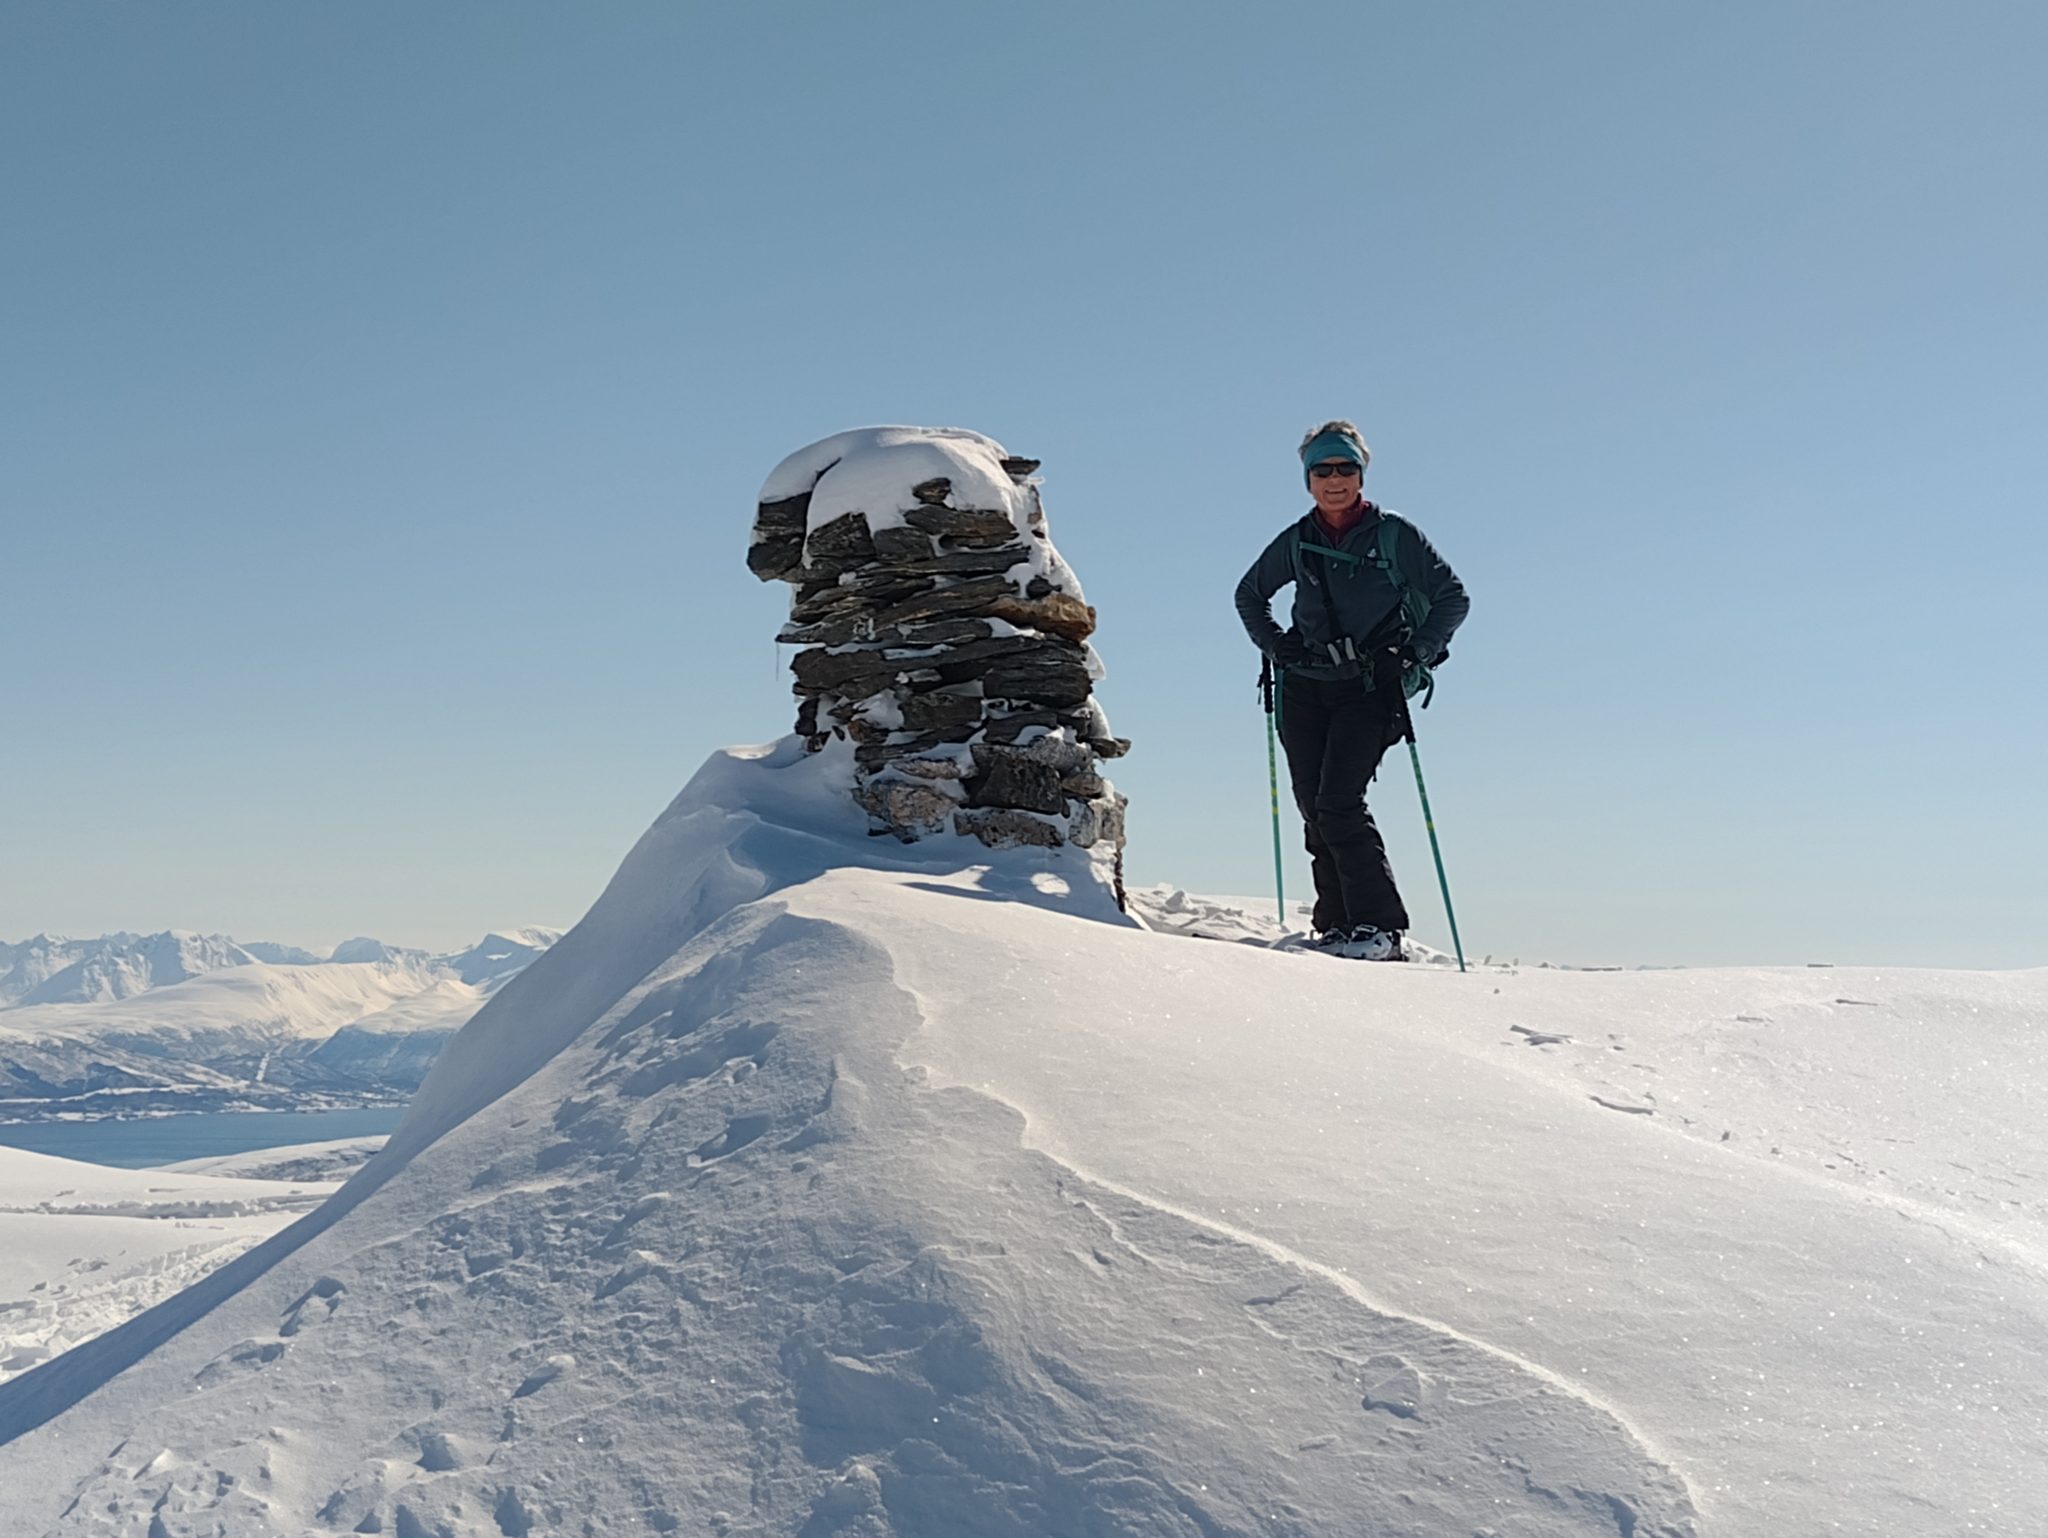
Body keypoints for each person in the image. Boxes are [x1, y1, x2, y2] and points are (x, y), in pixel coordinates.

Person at [1234, 421, 1469, 960]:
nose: (1334, 480)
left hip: (1370, 686)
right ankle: (1337, 923)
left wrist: (1412, 654)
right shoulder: (1298, 540)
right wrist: (1278, 647)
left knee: (1338, 801)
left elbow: (1453, 597)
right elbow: (1249, 594)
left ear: (1361, 474)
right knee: (1313, 806)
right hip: (1304, 686)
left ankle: (1379, 929)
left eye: (1345, 469)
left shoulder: (1394, 535)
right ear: (1308, 478)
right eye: (1323, 470)